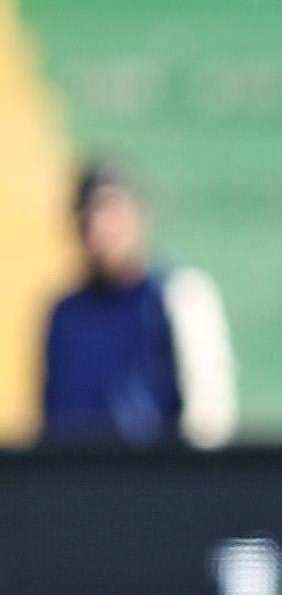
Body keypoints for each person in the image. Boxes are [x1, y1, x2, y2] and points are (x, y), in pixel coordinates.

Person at [41, 162, 236, 448]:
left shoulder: (178, 295)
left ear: (139, 215)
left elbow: (208, 416)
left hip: (154, 480)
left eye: (110, 210)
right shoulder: (65, 314)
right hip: (80, 480)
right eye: (87, 212)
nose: (98, 227)